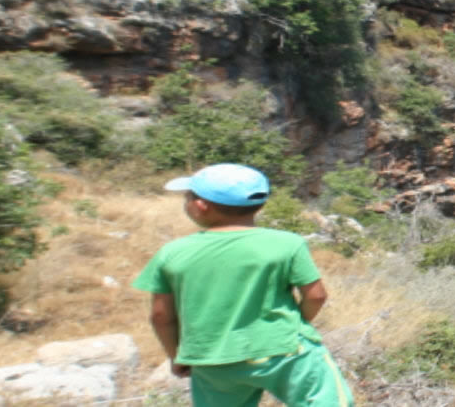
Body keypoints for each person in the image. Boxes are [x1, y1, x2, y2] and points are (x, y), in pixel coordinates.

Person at [133, 163, 353, 406]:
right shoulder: (287, 243)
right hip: (284, 350)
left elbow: (160, 316)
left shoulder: (172, 253)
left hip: (212, 360)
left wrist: (176, 357)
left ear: (200, 206)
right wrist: (300, 324)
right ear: (261, 204)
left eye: (187, 196)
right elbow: (316, 296)